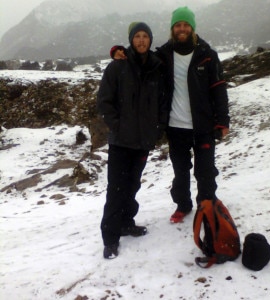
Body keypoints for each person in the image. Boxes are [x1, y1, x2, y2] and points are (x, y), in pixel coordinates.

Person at [111, 7, 230, 224]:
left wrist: (223, 121)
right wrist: (118, 51)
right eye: (178, 25)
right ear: (172, 29)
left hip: (203, 125)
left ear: (192, 28)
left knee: (206, 172)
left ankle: (207, 205)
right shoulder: (163, 56)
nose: (182, 28)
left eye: (185, 25)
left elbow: (219, 89)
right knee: (181, 172)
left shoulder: (207, 55)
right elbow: (139, 56)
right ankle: (183, 205)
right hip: (175, 127)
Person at [97, 22, 167, 259]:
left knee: (133, 185)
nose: (141, 40)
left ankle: (127, 223)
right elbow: (105, 101)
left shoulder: (157, 67)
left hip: (143, 141)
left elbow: (162, 102)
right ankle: (110, 238)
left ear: (150, 39)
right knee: (116, 190)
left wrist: (158, 128)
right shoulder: (118, 66)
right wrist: (118, 126)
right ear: (130, 40)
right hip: (120, 141)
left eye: (145, 36)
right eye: (136, 36)